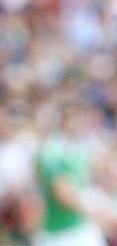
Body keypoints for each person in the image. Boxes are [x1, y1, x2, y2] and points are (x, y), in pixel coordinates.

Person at [35, 102, 112, 246]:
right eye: (73, 118)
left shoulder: (82, 147)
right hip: (58, 232)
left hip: (82, 227)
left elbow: (95, 179)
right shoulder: (52, 150)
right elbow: (62, 192)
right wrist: (97, 213)